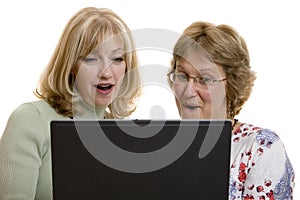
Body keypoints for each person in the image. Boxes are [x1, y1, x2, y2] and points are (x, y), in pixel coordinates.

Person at [0, 7, 141, 199]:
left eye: (117, 59)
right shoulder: (31, 120)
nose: (107, 72)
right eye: (91, 59)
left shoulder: (121, 134)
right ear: (71, 65)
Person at [167, 21, 295, 199]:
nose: (188, 91)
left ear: (232, 85)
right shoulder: (161, 146)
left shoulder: (261, 148)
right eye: (182, 76)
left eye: (204, 79)